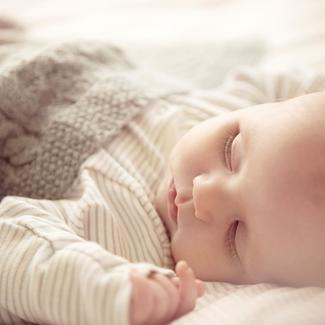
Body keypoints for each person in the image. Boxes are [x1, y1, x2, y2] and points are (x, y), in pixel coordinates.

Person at [0, 66, 325, 325]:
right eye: (231, 150)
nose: (203, 194)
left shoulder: (119, 235)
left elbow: (11, 245)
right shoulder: (241, 104)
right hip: (72, 63)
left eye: (236, 233)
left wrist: (107, 286)